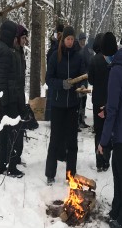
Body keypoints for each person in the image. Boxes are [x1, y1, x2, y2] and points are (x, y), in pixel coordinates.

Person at [97, 32, 122, 228]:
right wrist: (108, 109)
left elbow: (113, 110)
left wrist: (103, 141)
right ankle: (116, 209)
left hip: (121, 129)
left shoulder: (115, 71)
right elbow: (118, 102)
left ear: (106, 52)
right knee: (118, 170)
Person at [45, 26, 86, 184]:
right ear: (63, 40)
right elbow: (49, 79)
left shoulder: (78, 57)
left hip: (73, 105)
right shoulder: (56, 56)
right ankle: (50, 173)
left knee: (72, 141)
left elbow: (82, 76)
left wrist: (81, 86)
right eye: (67, 39)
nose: (69, 41)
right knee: (55, 140)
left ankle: (71, 174)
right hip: (57, 104)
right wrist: (62, 84)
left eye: (71, 39)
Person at [0, 19, 25, 178]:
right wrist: (5, 101)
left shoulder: (1, 48)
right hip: (7, 100)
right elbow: (2, 79)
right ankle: (10, 166)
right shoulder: (5, 51)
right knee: (11, 133)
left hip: (5, 99)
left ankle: (2, 164)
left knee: (6, 134)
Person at [88, 33, 110, 171]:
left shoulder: (93, 60)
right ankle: (106, 160)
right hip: (109, 100)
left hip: (97, 100)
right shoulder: (110, 59)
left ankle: (98, 161)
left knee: (98, 131)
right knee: (108, 131)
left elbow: (90, 80)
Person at [13, 24, 28, 167]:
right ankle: (13, 157)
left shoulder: (21, 52)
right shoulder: (13, 52)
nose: (25, 40)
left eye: (25, 38)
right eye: (23, 37)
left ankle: (17, 156)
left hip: (20, 94)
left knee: (20, 129)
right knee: (15, 130)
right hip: (15, 96)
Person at [45, 23, 64, 122]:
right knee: (52, 95)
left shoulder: (60, 44)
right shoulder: (54, 45)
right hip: (52, 75)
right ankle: (50, 117)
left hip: (58, 76)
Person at [78, 32, 92, 129]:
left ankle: (81, 119)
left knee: (83, 99)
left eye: (84, 40)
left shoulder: (86, 51)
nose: (83, 42)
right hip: (79, 79)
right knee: (80, 100)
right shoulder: (80, 52)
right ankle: (79, 121)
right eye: (81, 40)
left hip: (85, 78)